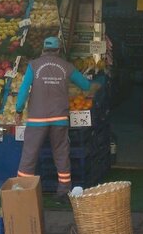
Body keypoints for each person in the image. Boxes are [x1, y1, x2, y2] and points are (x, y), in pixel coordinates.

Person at [15, 36, 95, 200]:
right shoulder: (66, 66)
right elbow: (86, 85)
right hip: (59, 118)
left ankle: (23, 193)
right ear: (58, 50)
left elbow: (23, 91)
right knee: (61, 153)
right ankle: (63, 191)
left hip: (37, 119)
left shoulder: (33, 66)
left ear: (43, 49)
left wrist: (18, 110)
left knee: (29, 154)